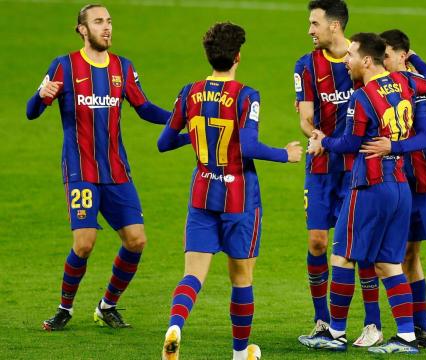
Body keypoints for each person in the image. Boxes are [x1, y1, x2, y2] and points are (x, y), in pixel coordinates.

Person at [158, 22, 302, 360]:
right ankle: (240, 353)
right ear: (238, 56)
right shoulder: (246, 95)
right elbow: (249, 147)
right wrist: (286, 154)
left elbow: (164, 142)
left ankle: (176, 324)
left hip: (202, 194)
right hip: (239, 198)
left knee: (193, 274)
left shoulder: (189, 91)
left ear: (209, 55)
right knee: (241, 278)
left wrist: (195, 137)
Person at [27, 4, 171, 331]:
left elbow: (144, 107)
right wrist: (40, 94)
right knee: (84, 243)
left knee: (136, 240)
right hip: (81, 171)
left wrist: (179, 119)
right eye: (98, 22)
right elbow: (31, 112)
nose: (106, 27)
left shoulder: (122, 66)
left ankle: (107, 306)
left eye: (108, 21)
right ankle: (64, 309)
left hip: (116, 171)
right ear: (82, 29)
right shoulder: (63, 66)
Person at [299, 32, 426, 354]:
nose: (347, 61)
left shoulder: (361, 98)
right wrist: (397, 146)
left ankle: (335, 333)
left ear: (367, 61)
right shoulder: (408, 84)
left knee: (342, 256)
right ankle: (406, 337)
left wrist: (322, 143)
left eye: (352, 56)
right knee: (389, 263)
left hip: (369, 187)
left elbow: (349, 143)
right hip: (401, 187)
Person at [362, 29, 426, 348]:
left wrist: (419, 60)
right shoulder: (391, 87)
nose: (383, 61)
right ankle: (419, 327)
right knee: (408, 253)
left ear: (402, 56)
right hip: (408, 181)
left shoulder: (420, 85)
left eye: (388, 55)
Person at [294, 0, 382, 346]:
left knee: (358, 245)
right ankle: (322, 321)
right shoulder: (306, 64)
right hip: (320, 166)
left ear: (334, 25)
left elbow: (401, 67)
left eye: (314, 23)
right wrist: (314, 135)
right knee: (317, 242)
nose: (310, 30)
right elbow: (305, 116)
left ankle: (372, 322)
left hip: (357, 169)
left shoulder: (362, 58)